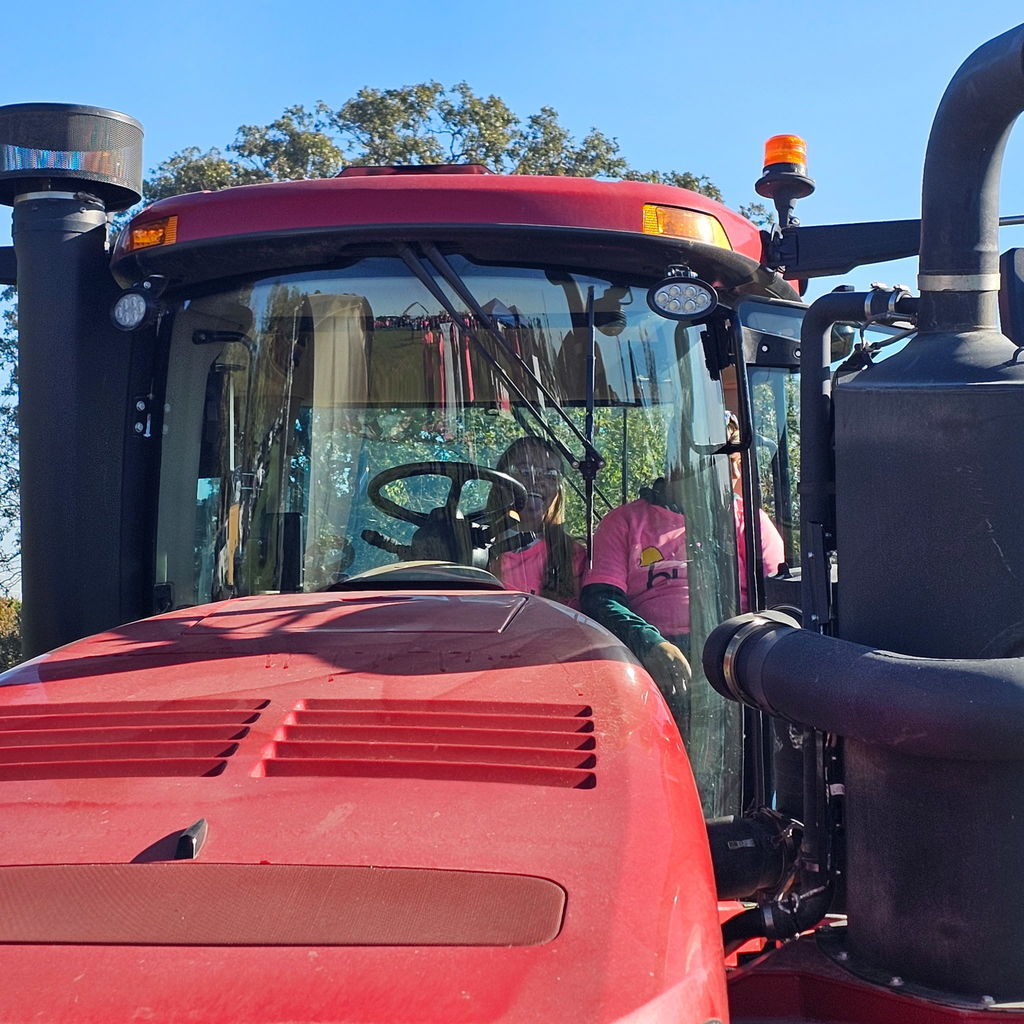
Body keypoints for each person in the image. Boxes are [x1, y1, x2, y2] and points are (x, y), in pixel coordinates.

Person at [580, 419, 784, 720]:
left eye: (738, 464)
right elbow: (600, 600)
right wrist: (649, 644)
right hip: (646, 663)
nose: (736, 475)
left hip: (732, 659)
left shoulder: (748, 521)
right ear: (681, 463)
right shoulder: (624, 522)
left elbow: (779, 601)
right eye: (726, 461)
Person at [487, 436, 586, 607]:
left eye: (550, 475)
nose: (537, 481)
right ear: (500, 479)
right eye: (525, 471)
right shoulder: (471, 545)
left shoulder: (572, 555)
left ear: (558, 490)